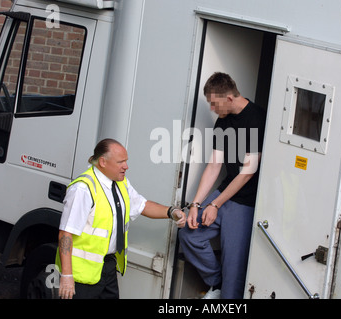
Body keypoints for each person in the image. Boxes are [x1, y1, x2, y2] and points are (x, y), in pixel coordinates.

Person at [56, 138, 186, 299]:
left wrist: (172, 212)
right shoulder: (83, 189)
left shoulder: (121, 183)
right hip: (80, 275)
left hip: (107, 267)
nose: (126, 166)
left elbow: (142, 205)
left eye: (126, 161)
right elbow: (65, 234)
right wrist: (67, 277)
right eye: (121, 162)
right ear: (103, 162)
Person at [178, 72, 266, 299]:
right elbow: (215, 164)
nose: (212, 108)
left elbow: (248, 172)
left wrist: (215, 204)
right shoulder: (223, 121)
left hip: (245, 201)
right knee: (189, 235)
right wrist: (196, 204)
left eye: (213, 103)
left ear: (228, 98)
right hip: (224, 194)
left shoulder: (257, 118)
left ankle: (226, 291)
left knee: (234, 270)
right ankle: (216, 283)